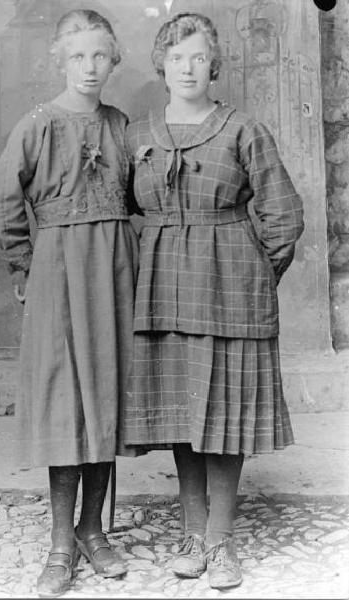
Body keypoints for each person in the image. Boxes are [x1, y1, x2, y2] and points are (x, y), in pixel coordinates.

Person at [124, 12, 304, 590]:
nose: (187, 68)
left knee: (223, 415)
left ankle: (222, 543)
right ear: (162, 64)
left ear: (214, 64)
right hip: (160, 291)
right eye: (176, 57)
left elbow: (283, 216)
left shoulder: (243, 129)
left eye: (198, 57)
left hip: (229, 289)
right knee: (183, 411)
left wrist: (251, 276)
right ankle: (192, 532)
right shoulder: (138, 134)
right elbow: (122, 213)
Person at [0, 9, 140, 598]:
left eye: (100, 55)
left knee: (104, 396)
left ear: (114, 58)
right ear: (59, 59)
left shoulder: (123, 124)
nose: (90, 67)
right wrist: (24, 263)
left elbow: (142, 194)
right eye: (78, 56)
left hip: (115, 272)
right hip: (57, 271)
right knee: (64, 400)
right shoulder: (38, 124)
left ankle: (93, 530)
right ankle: (58, 542)